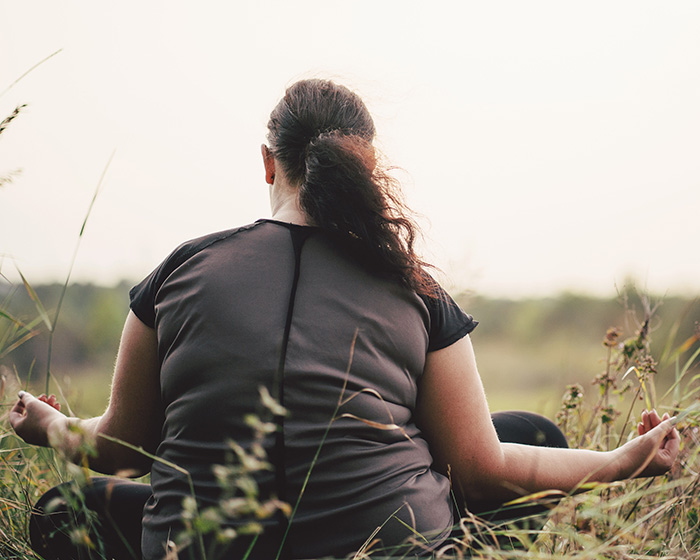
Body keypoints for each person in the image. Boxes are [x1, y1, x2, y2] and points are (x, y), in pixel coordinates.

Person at [10, 79, 680, 560]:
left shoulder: (180, 271)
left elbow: (122, 452)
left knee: (64, 512)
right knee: (529, 434)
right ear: (366, 169)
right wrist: (621, 462)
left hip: (198, 548)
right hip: (391, 547)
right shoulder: (410, 285)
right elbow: (480, 471)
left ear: (268, 161)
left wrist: (47, 426)